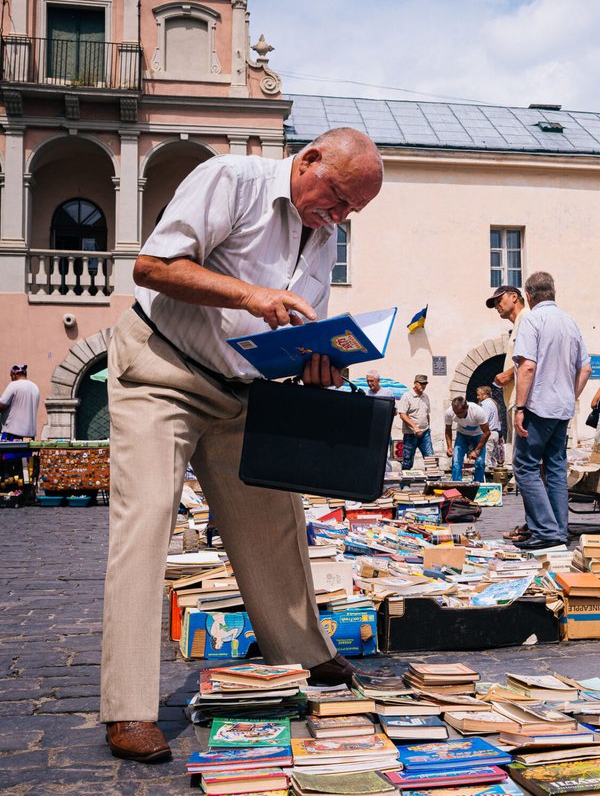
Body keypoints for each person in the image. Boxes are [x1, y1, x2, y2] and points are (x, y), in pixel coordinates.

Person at [99, 128, 385, 763]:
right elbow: (152, 266)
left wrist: (318, 362)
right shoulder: (232, 180)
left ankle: (303, 653)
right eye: (335, 197)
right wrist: (252, 295)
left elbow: (297, 321)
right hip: (162, 371)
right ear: (308, 158)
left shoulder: (327, 230)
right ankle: (128, 708)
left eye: (349, 212)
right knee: (146, 522)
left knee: (275, 521)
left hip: (243, 390)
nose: (336, 216)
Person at [511, 271, 591, 551]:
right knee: (556, 467)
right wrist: (570, 395)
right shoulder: (570, 322)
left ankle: (545, 531)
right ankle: (559, 528)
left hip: (538, 405)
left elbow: (527, 366)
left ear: (529, 297)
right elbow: (586, 368)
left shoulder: (532, 319)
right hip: (562, 408)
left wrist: (520, 407)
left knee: (525, 466)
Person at [487, 285, 529, 429]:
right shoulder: (519, 322)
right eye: (494, 304)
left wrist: (507, 375)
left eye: (499, 300)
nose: (496, 306)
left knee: (522, 450)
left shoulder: (526, 317)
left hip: (523, 402)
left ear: (514, 297)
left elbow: (536, 355)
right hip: (515, 401)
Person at [444, 396, 491, 483]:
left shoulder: (477, 411)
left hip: (478, 435)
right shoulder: (449, 412)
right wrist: (449, 447)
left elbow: (487, 432)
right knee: (456, 461)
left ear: (467, 408)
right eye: (455, 412)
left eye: (460, 412)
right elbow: (448, 430)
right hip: (462, 434)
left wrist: (477, 450)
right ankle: (457, 485)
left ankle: (478, 484)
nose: (458, 415)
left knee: (480, 462)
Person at [398, 375, 433, 469]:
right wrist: (414, 427)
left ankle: (431, 482)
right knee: (407, 460)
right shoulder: (407, 396)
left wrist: (428, 427)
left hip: (425, 432)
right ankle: (405, 483)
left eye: (425, 384)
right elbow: (402, 414)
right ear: (415, 383)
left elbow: (427, 414)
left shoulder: (426, 397)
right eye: (421, 384)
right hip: (410, 433)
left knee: (430, 459)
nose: (423, 386)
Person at [0, 364, 41, 440]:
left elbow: (2, 405)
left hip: (13, 433)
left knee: (8, 452)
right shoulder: (35, 387)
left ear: (14, 375)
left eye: (11, 376)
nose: (11, 379)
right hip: (30, 435)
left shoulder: (13, 385)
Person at [477, 385, 505, 467]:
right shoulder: (494, 403)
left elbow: (484, 420)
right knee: (492, 459)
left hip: (488, 434)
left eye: (479, 395)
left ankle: (485, 478)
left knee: (486, 460)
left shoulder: (485, 404)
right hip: (495, 433)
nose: (477, 397)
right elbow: (499, 420)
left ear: (485, 394)